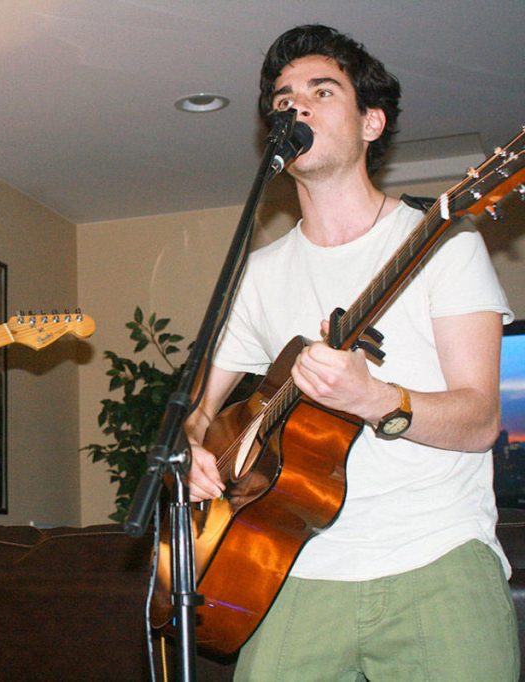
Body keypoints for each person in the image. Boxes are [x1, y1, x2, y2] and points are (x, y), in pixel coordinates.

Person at [185, 25, 519, 680]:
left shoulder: (447, 243)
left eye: (321, 91)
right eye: (283, 99)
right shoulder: (260, 273)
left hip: (437, 559)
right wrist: (192, 450)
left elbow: (481, 421)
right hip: (289, 568)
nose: (296, 107)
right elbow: (196, 411)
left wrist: (375, 399)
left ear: (372, 122)